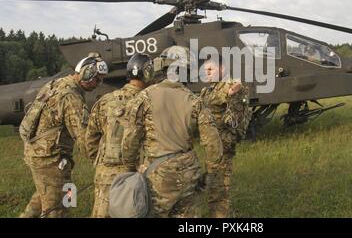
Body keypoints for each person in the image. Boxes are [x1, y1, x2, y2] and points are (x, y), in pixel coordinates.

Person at [121, 46, 223, 218]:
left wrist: (131, 170)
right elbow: (213, 146)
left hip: (157, 177)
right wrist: (209, 176)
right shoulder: (195, 101)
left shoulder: (143, 98)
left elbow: (129, 143)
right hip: (190, 175)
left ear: (162, 67)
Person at [19, 53, 108, 218]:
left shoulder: (57, 83)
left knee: (43, 198)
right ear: (85, 73)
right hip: (50, 159)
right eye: (96, 79)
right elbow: (84, 139)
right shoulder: (71, 97)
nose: (98, 84)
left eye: (101, 80)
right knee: (57, 209)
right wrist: (105, 162)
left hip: (38, 153)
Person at [85, 53, 154, 218]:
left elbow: (90, 139)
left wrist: (102, 165)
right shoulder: (151, 102)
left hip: (105, 174)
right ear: (148, 74)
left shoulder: (105, 101)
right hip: (137, 175)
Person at [200, 55, 252, 217]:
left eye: (211, 69)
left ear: (222, 69)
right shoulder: (206, 90)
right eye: (205, 70)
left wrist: (230, 92)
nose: (207, 73)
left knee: (220, 187)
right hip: (211, 146)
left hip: (223, 146)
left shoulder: (228, 85)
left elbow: (236, 88)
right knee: (213, 185)